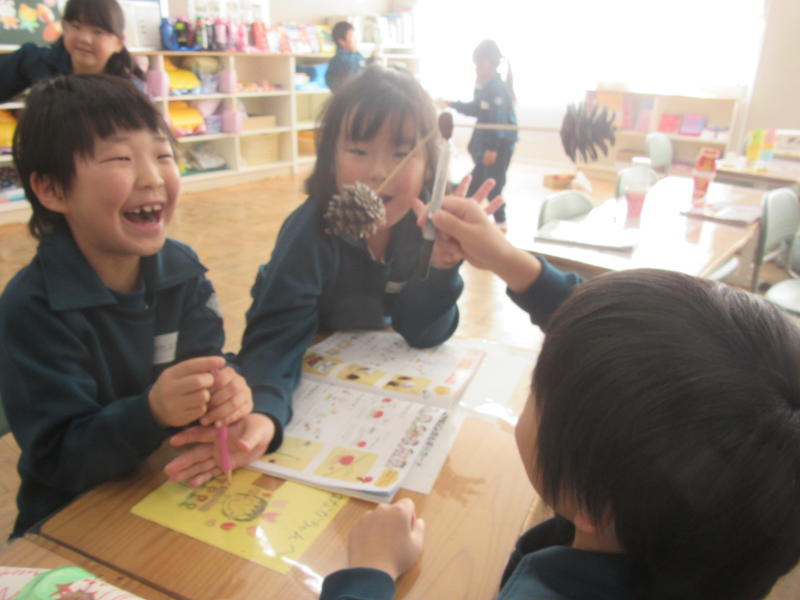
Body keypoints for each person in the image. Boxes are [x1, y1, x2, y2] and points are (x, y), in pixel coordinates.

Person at [319, 192, 800, 599]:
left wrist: (369, 572)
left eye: (537, 385)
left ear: (593, 507)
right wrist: (504, 257)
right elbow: (622, 350)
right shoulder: (710, 526)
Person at [0, 74, 273, 538]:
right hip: (70, 518)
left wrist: (228, 388)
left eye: (163, 155)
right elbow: (57, 458)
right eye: (120, 159)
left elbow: (207, 365)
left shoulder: (182, 272)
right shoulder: (33, 308)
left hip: (165, 485)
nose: (153, 177)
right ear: (52, 190)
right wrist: (151, 412)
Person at [238, 67, 494, 459]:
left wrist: (442, 267)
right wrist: (264, 410)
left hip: (375, 375)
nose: (378, 172)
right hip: (309, 370)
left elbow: (424, 333)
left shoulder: (425, 228)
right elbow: (275, 337)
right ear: (331, 159)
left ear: (430, 165)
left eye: (401, 154)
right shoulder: (310, 231)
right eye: (359, 151)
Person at [0, 0, 144, 102]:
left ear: (119, 42)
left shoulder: (129, 92)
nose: (84, 39)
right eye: (76, 27)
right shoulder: (40, 61)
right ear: (64, 27)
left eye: (98, 32)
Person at [444, 40, 517, 230]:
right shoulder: (484, 85)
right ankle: (462, 217)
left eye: (477, 65)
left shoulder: (497, 88)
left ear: (487, 63)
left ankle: (501, 224)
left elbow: (497, 121)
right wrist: (452, 104)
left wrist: (492, 148)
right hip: (486, 144)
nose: (476, 70)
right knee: (475, 182)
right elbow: (477, 109)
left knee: (492, 185)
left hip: (498, 145)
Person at [325, 21, 375, 92]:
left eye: (355, 37)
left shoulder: (356, 54)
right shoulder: (339, 59)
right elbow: (332, 81)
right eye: (352, 37)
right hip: (349, 94)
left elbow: (363, 65)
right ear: (342, 41)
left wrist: (372, 59)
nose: (355, 40)